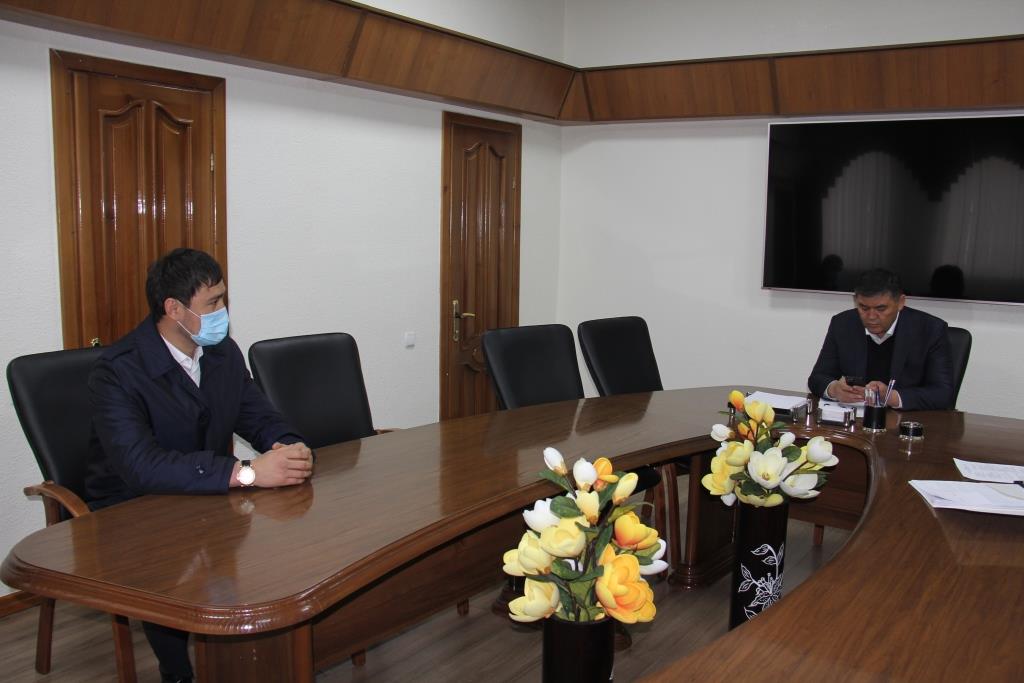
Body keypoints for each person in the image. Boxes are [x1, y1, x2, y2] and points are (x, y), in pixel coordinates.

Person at [85, 248, 314, 683]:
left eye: (223, 298)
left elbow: (257, 416)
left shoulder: (223, 353)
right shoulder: (118, 371)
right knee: (174, 563)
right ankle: (178, 673)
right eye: (213, 302)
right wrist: (247, 472)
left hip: (207, 493)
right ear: (174, 309)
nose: (223, 311)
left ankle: (261, 657)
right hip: (131, 507)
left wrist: (289, 447)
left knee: (287, 549)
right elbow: (141, 466)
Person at [808, 268, 954, 410]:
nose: (871, 317)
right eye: (864, 308)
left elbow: (943, 393)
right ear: (855, 301)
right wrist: (834, 389)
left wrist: (891, 397)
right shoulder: (843, 324)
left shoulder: (930, 330)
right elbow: (817, 378)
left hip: (908, 421)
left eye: (881, 309)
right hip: (856, 418)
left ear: (900, 302)